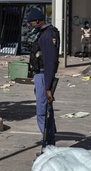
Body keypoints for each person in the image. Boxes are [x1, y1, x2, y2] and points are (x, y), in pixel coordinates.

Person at [27, 8, 60, 146]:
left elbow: (50, 62)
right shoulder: (43, 33)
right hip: (40, 75)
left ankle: (47, 143)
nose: (30, 25)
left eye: (31, 22)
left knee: (42, 111)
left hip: (44, 75)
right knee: (46, 110)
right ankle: (49, 140)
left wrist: (47, 87)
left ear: (38, 21)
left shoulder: (48, 35)